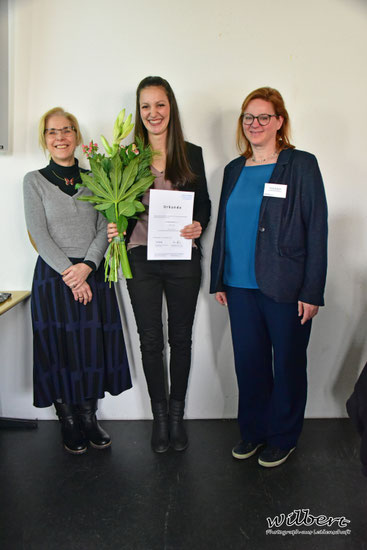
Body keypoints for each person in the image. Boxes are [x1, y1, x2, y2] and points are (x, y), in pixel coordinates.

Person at [210, 87, 327, 468]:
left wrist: (312, 291)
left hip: (286, 286)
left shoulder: (300, 164)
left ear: (279, 121)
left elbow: (316, 230)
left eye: (263, 117)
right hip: (239, 287)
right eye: (248, 117)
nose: (254, 124)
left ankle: (284, 436)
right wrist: (218, 279)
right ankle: (254, 433)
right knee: (249, 363)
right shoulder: (233, 169)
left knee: (288, 364)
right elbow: (224, 226)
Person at [108, 76, 211, 453]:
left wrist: (200, 222)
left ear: (171, 108)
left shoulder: (190, 152)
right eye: (146, 106)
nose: (153, 113)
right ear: (139, 111)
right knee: (150, 340)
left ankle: (178, 417)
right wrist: (114, 224)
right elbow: (115, 207)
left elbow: (204, 204)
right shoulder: (125, 156)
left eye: (160, 105)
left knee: (180, 339)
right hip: (141, 258)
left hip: (183, 258)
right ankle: (160, 420)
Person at [23, 107, 132, 454]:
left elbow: (104, 227)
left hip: (93, 272)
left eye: (67, 130)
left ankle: (88, 416)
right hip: (53, 278)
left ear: (77, 137)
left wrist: (87, 266)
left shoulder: (96, 178)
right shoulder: (33, 181)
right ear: (45, 139)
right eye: (53, 132)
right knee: (58, 350)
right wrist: (71, 274)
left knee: (90, 348)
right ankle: (67, 419)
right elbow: (38, 233)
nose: (61, 137)